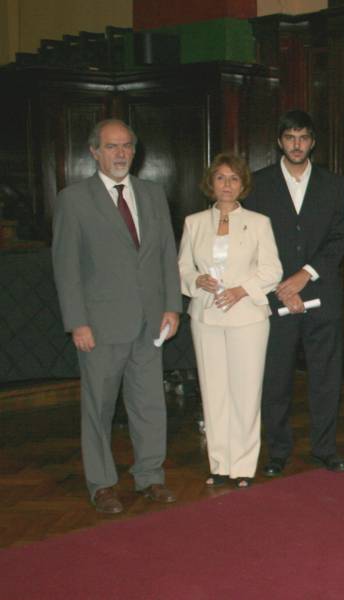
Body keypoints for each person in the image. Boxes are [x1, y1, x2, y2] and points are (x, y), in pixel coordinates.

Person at [51, 118, 182, 513]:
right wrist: (77, 322)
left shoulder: (153, 194)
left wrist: (173, 306)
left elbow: (165, 256)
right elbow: (66, 267)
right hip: (100, 325)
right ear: (94, 152)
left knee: (149, 404)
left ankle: (150, 476)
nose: (121, 153)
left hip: (149, 322)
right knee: (99, 408)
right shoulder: (74, 200)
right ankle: (102, 484)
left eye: (126, 145)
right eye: (111, 146)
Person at [243, 110, 344, 476]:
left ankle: (324, 448)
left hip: (322, 295)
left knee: (326, 378)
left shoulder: (334, 185)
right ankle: (278, 452)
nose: (297, 145)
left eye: (303, 137)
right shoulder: (257, 185)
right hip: (275, 298)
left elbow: (340, 238)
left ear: (313, 142)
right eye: (290, 137)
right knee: (276, 378)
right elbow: (252, 245)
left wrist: (305, 275)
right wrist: (281, 286)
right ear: (280, 142)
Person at [178, 153, 282, 488]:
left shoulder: (259, 222)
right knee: (213, 392)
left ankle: (243, 465)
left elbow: (272, 270)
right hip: (206, 315)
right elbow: (182, 267)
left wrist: (241, 290)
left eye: (234, 178)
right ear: (211, 183)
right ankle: (219, 463)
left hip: (247, 317)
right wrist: (197, 280)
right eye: (221, 178)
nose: (227, 185)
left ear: (243, 185)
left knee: (245, 392)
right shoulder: (194, 222)